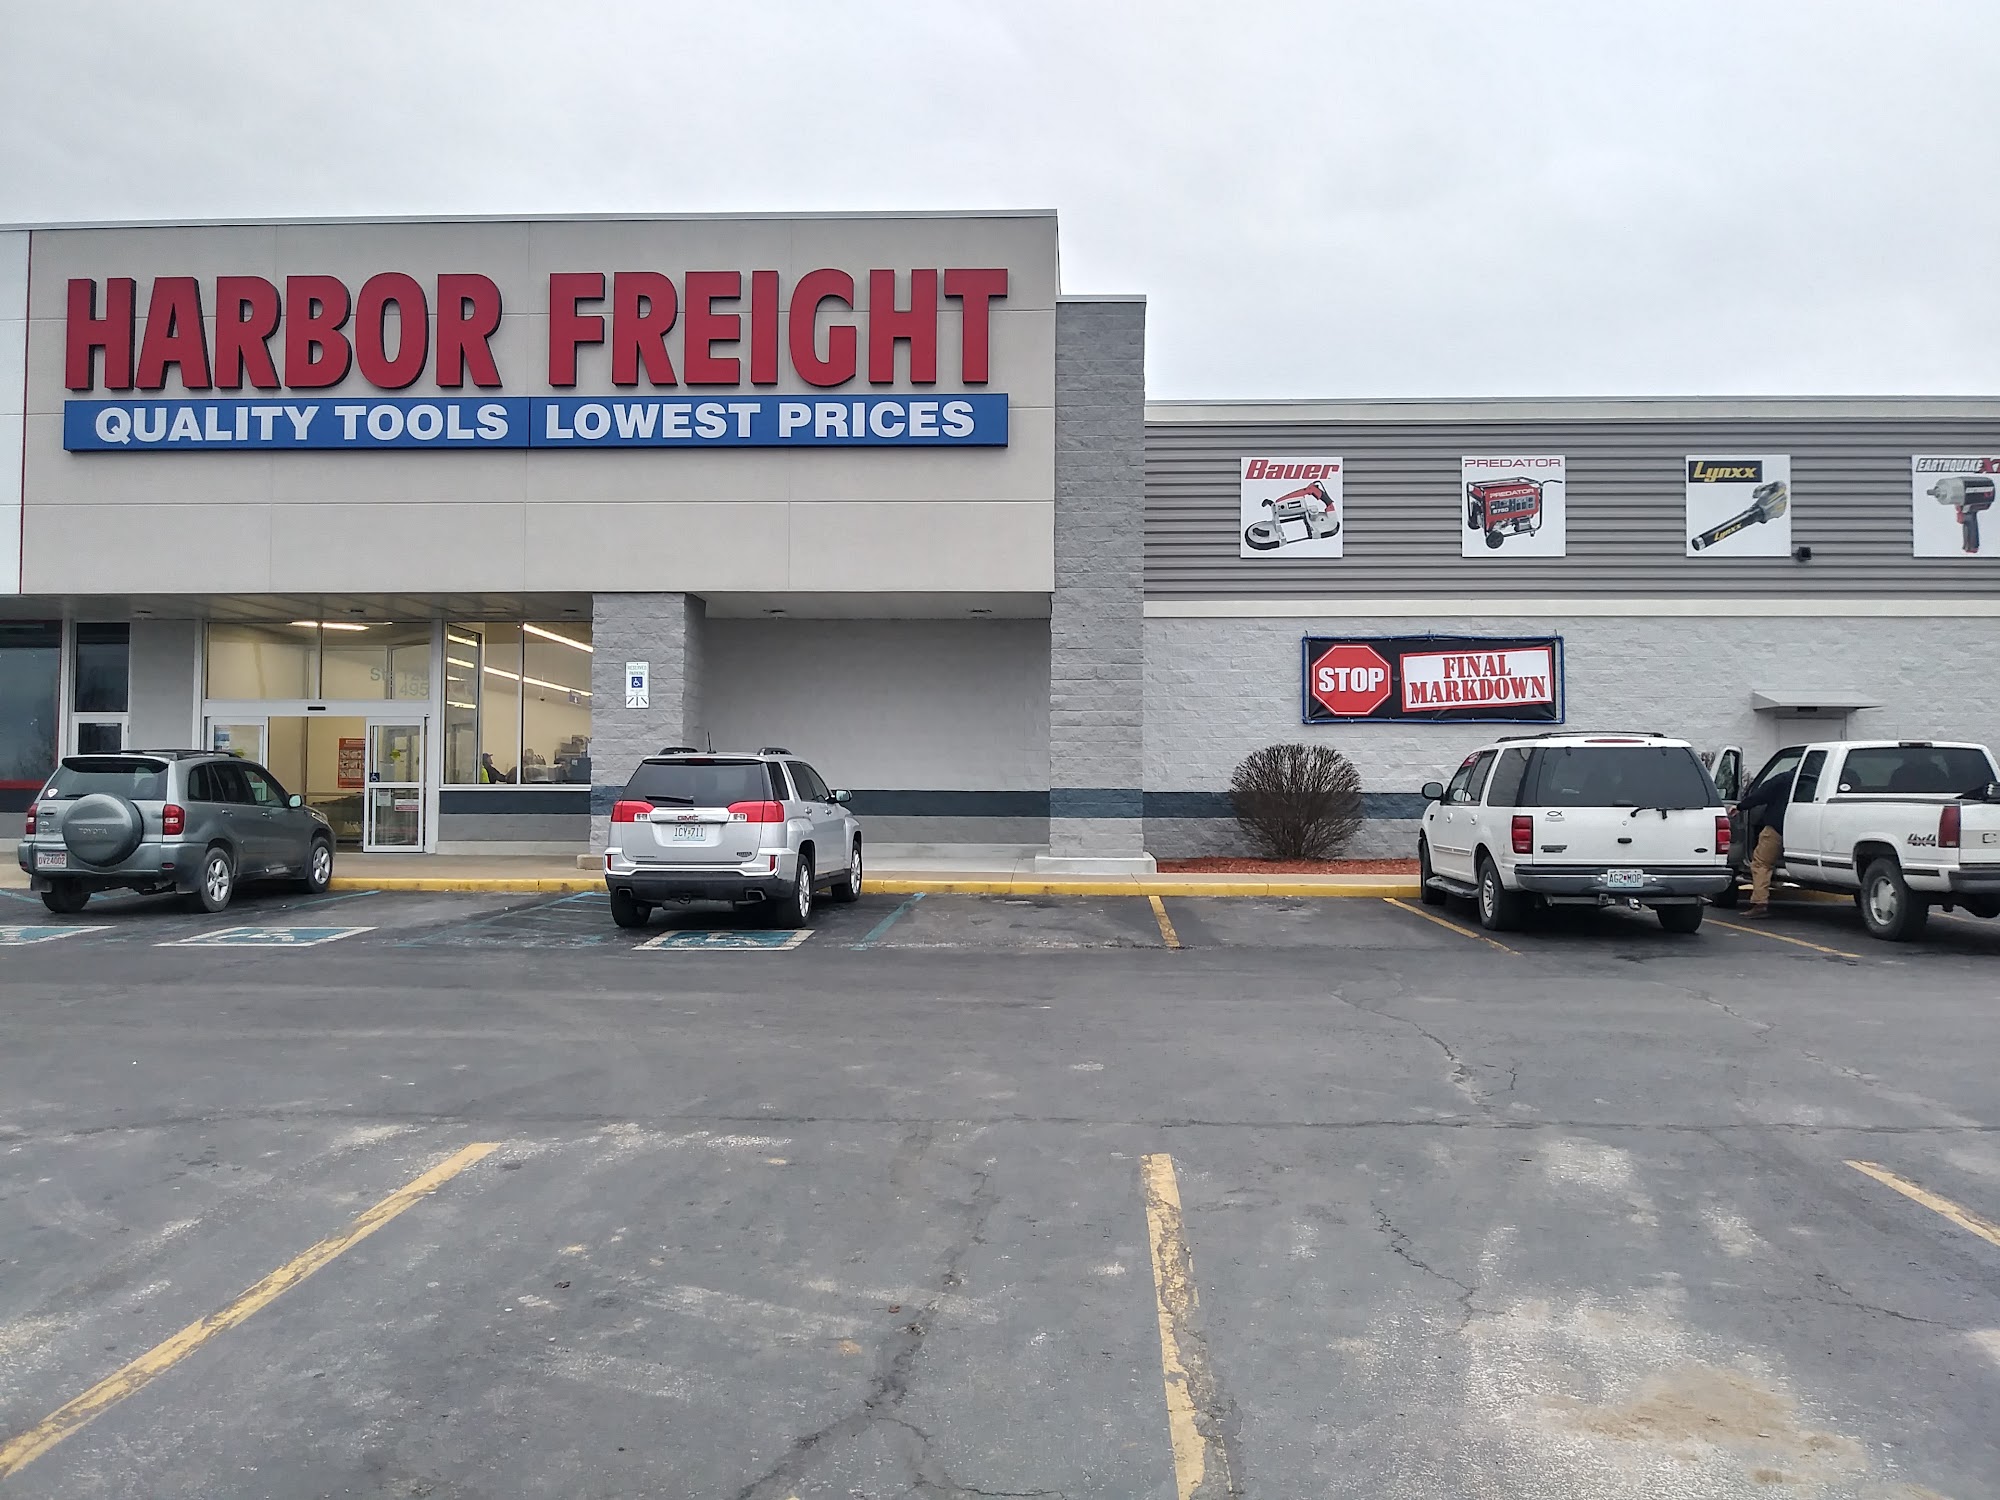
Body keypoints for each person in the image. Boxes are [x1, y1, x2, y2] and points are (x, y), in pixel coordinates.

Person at [1734, 770, 1790, 918]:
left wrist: (1740, 806)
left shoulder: (1784, 778)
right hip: (1805, 829)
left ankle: (1760, 903)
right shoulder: (1820, 778)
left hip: (1777, 827)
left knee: (1761, 863)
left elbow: (1760, 795)